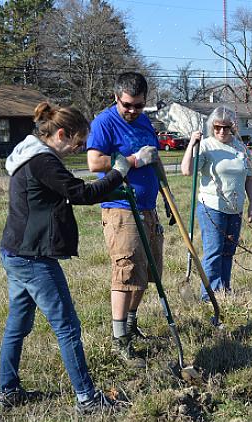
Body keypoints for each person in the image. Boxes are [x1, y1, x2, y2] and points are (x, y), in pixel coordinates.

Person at [0, 101, 131, 414]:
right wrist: (120, 172)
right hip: (33, 258)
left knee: (17, 326)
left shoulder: (28, 153)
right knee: (67, 327)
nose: (79, 148)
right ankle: (87, 399)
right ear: (61, 134)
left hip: (15, 252)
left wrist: (110, 187)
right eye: (78, 142)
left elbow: (60, 193)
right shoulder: (44, 161)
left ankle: (8, 391)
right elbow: (80, 194)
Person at [87, 72, 165, 369]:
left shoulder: (144, 122)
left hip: (148, 207)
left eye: (139, 106)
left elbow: (154, 158)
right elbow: (94, 162)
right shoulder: (104, 122)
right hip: (120, 207)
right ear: (116, 97)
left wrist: (165, 194)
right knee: (127, 270)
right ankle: (119, 338)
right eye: (128, 105)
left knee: (149, 272)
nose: (132, 111)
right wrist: (132, 160)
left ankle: (132, 327)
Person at [180, 106, 252, 301]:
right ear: (211, 127)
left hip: (235, 208)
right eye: (217, 127)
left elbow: (249, 178)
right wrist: (191, 144)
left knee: (228, 252)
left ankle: (224, 289)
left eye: (226, 127)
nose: (222, 131)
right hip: (211, 207)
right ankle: (210, 296)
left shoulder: (241, 148)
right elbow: (187, 171)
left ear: (233, 127)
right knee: (214, 252)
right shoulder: (206, 145)